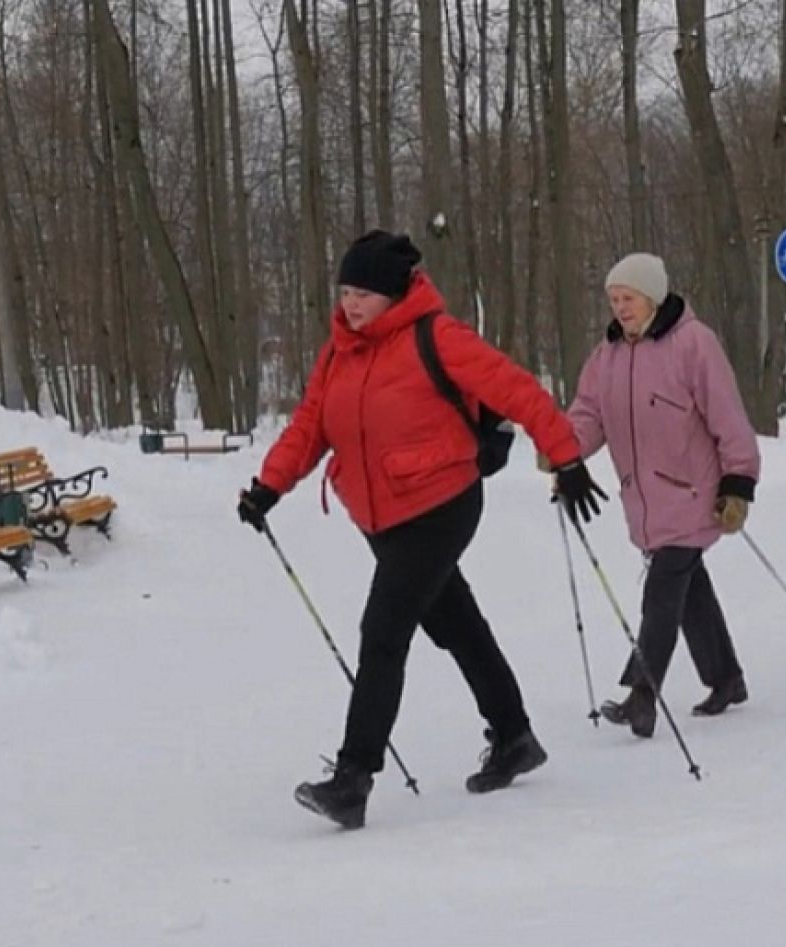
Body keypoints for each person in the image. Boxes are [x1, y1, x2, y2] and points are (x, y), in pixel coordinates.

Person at [236, 230, 605, 829]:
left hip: (441, 503)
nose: (351, 304)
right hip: (379, 516)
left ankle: (353, 778)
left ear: (393, 293)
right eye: (346, 292)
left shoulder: (438, 337)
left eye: (364, 294)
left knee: (383, 630)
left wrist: (566, 456)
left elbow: (518, 391)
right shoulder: (337, 354)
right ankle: (514, 735)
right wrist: (268, 487)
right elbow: (309, 428)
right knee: (456, 624)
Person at [563, 252, 761, 738]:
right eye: (614, 299)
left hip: (695, 493)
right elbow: (588, 414)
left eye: (628, 298)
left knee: (663, 591)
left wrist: (738, 483)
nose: (620, 308)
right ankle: (726, 678)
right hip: (646, 501)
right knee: (689, 590)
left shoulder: (693, 343)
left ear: (652, 297)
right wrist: (561, 449)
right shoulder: (607, 355)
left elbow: (728, 415)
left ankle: (642, 693)